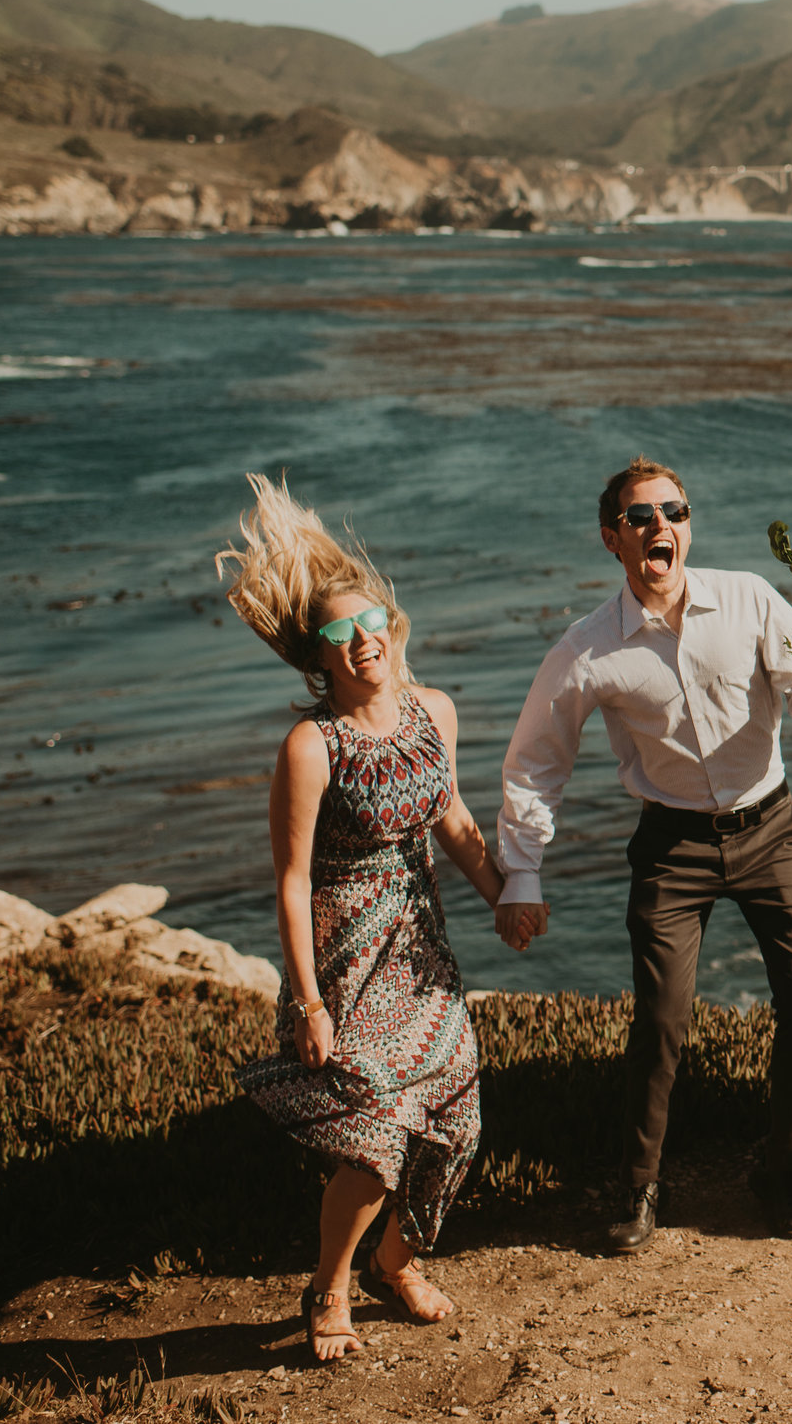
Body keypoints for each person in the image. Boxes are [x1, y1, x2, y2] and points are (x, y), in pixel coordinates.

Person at [494, 458, 792, 1253]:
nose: (659, 528)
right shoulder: (586, 650)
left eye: (672, 512)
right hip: (673, 848)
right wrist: (522, 870)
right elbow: (536, 759)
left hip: (772, 829)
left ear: (689, 525)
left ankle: (784, 1170)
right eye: (639, 517)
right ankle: (641, 1184)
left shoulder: (748, 597)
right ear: (612, 537)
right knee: (662, 1018)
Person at [217, 474, 506, 1364]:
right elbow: (293, 878)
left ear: (390, 624)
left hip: (422, 949)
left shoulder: (434, 711)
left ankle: (396, 1258)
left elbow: (452, 818)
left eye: (369, 619)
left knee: (456, 1120)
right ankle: (330, 1285)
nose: (360, 639)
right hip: (349, 954)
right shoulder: (313, 744)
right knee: (378, 1136)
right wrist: (308, 1000)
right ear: (320, 656)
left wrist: (508, 894)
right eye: (338, 632)